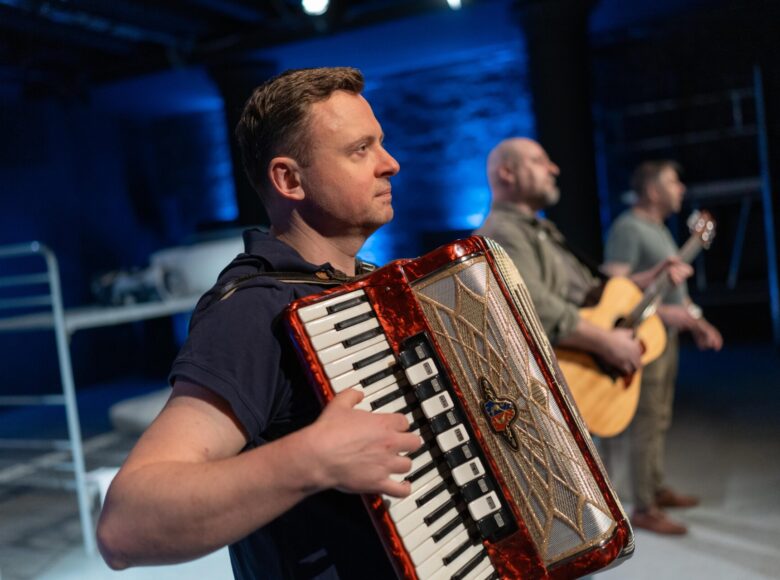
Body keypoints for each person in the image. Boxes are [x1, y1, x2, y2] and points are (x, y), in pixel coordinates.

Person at [97, 67, 421, 579]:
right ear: (289, 179)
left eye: (381, 144)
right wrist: (313, 459)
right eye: (360, 150)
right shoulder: (253, 311)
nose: (391, 164)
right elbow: (125, 525)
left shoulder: (372, 286)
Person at [473, 137, 691, 378]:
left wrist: (647, 279)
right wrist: (606, 342)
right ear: (506, 173)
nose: (553, 169)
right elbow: (531, 304)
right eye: (538, 161)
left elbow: (589, 293)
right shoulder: (502, 232)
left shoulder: (539, 229)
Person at [601, 160, 723, 535]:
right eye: (674, 181)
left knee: (660, 418)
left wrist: (697, 322)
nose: (681, 188)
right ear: (652, 190)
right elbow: (613, 289)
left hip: (664, 339)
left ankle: (654, 486)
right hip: (644, 340)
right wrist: (668, 313)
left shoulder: (658, 230)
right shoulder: (628, 227)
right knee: (647, 423)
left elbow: (673, 292)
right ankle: (644, 506)